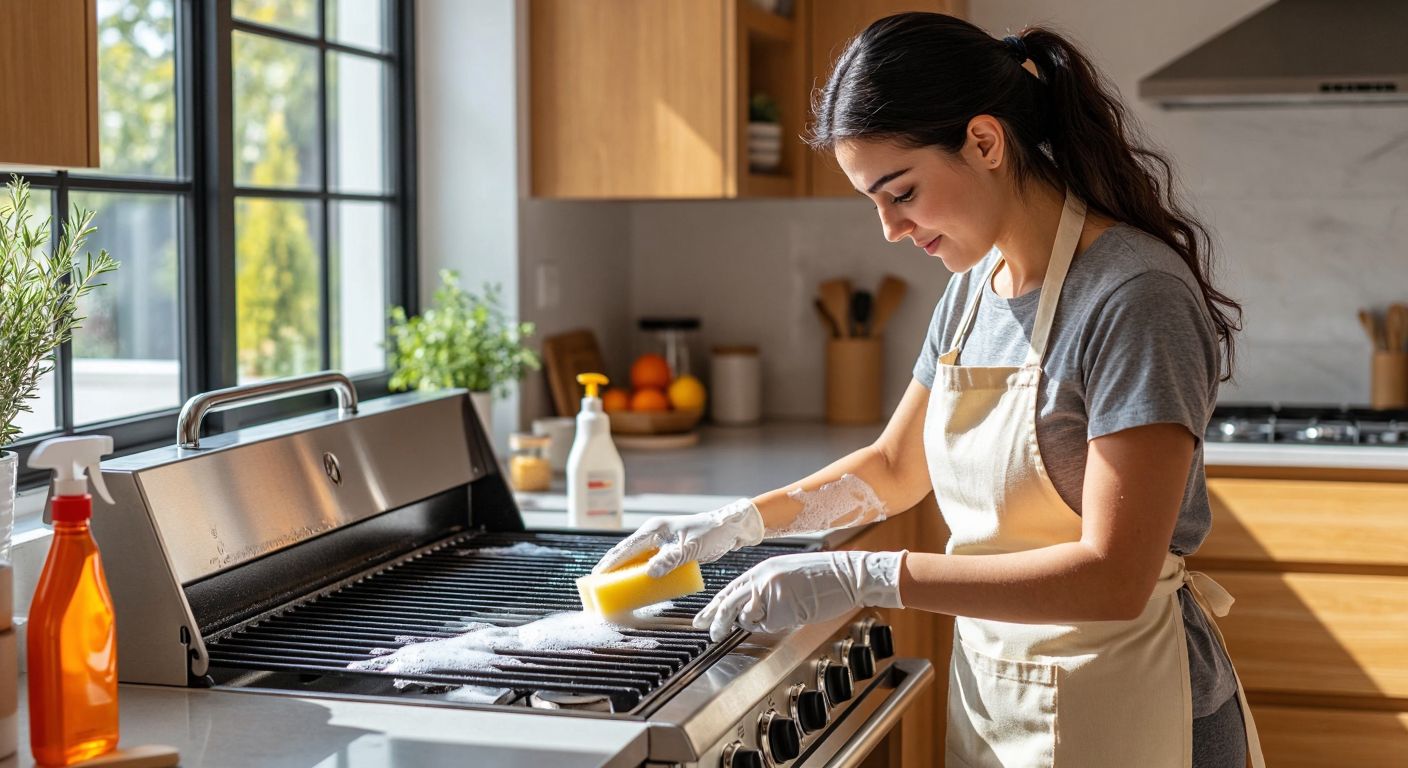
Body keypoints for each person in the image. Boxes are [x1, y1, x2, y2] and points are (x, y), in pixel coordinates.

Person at [593, 12, 1264, 768]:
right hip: (996, 699)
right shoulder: (973, 290)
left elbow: (1113, 577)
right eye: (872, 201)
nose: (889, 229)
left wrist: (866, 574)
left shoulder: (1133, 295)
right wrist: (737, 524)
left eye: (901, 191)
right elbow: (893, 468)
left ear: (984, 142)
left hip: (1129, 705)